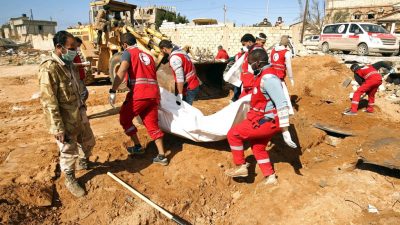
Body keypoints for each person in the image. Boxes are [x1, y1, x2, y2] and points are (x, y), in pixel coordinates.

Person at [225, 49, 297, 185]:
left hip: (266, 120)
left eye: (251, 63)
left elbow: (282, 103)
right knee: (258, 147)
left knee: (233, 134)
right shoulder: (263, 75)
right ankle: (270, 177)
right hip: (264, 119)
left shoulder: (269, 79)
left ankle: (240, 166)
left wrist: (285, 130)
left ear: (258, 62)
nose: (250, 66)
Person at [38, 31, 95, 197]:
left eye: (76, 48)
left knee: (89, 141)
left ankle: (83, 162)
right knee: (68, 151)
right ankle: (70, 178)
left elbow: (76, 87)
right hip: (64, 119)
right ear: (59, 47)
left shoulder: (69, 64)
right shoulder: (49, 69)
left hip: (79, 112)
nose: (75, 52)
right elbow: (48, 102)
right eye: (71, 48)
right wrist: (57, 127)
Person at [108, 33, 168, 165]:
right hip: (153, 95)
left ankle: (137, 146)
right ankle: (162, 156)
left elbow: (122, 70)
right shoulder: (148, 56)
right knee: (152, 124)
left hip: (139, 95)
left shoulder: (128, 53)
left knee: (124, 118)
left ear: (124, 45)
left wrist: (113, 90)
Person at [159, 40, 201, 105]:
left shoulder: (174, 59)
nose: (162, 53)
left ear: (164, 49)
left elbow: (180, 78)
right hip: (193, 83)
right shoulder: (181, 52)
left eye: (161, 51)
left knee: (185, 110)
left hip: (189, 87)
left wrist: (180, 94)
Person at [270, 35, 295, 115]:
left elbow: (270, 62)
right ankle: (287, 111)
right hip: (279, 78)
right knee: (284, 95)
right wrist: (291, 78)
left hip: (270, 76)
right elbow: (288, 66)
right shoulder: (286, 52)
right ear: (287, 44)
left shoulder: (273, 50)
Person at [238, 33, 263, 99]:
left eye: (244, 44)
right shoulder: (249, 51)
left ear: (249, 42)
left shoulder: (257, 50)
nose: (243, 46)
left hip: (253, 84)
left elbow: (259, 68)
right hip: (247, 84)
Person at [73, 37, 90, 102]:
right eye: (78, 45)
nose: (78, 47)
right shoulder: (71, 53)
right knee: (84, 94)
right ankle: (79, 107)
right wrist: (83, 64)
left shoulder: (75, 52)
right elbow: (72, 65)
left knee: (83, 94)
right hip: (77, 77)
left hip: (80, 77)